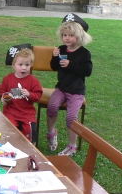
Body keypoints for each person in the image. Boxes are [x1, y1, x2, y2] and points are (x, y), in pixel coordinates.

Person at [46, 13, 93, 156]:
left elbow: (87, 71)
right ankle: (51, 133)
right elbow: (55, 67)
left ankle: (72, 146)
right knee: (52, 107)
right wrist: (54, 58)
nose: (67, 38)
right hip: (62, 88)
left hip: (76, 91)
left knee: (71, 118)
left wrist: (70, 64)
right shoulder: (61, 49)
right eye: (65, 35)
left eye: (71, 35)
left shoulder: (84, 54)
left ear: (79, 36)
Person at [0, 48, 43, 145]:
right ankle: (11, 145)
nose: (24, 68)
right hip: (11, 112)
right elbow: (2, 91)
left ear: (31, 65)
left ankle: (31, 148)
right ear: (13, 65)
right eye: (20, 65)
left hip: (27, 113)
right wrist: (3, 98)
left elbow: (38, 95)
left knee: (30, 129)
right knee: (10, 129)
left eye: (27, 65)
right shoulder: (7, 79)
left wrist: (29, 94)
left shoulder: (33, 81)